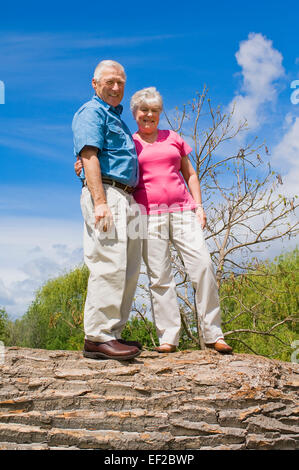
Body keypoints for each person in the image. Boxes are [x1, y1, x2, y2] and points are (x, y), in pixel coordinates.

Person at [75, 86, 232, 355]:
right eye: (144, 110)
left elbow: (190, 174)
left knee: (203, 266)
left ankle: (213, 333)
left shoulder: (173, 138)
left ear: (160, 113)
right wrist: (81, 162)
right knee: (160, 278)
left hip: (183, 211)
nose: (149, 115)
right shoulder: (130, 142)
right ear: (135, 113)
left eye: (155, 110)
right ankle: (168, 337)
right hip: (148, 216)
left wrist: (199, 206)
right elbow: (107, 159)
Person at [72, 60, 142, 361]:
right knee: (108, 261)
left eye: (121, 83)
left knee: (128, 269)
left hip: (126, 196)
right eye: (110, 81)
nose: (116, 88)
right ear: (95, 83)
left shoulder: (118, 118)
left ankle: (113, 332)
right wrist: (100, 202)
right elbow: (88, 154)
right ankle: (98, 337)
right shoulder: (92, 111)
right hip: (108, 194)